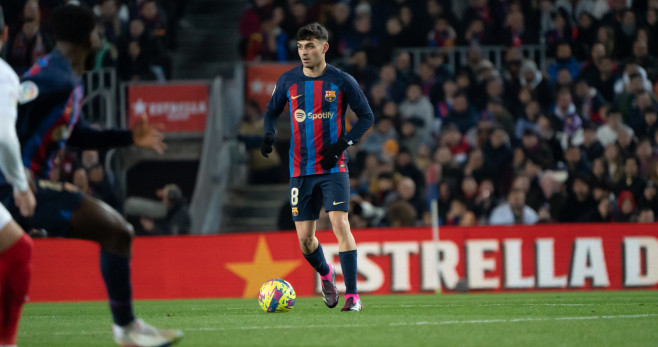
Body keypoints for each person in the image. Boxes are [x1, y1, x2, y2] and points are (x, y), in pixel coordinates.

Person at [0, 5, 181, 346]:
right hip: (16, 186)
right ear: (88, 36)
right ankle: (126, 329)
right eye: (98, 30)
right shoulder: (49, 78)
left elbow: (78, 135)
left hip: (24, 185)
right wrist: (19, 175)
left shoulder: (66, 77)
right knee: (117, 231)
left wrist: (128, 138)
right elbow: (9, 117)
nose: (102, 36)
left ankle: (126, 328)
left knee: (117, 232)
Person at [261, 23, 374, 312]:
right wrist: (269, 135)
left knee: (339, 223)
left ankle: (352, 296)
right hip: (300, 170)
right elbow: (272, 112)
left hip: (333, 167)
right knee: (306, 241)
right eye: (300, 47)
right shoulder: (288, 81)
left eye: (310, 46)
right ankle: (326, 275)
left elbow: (366, 116)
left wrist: (343, 144)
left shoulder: (342, 80)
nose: (304, 52)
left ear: (324, 48)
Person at [0, 8, 37, 345]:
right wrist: (21, 185)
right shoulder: (4, 75)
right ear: (5, 36)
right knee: (18, 252)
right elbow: (4, 136)